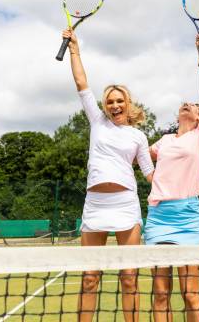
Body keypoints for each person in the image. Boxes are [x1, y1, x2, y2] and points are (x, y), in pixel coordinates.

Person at [62, 29, 154, 322]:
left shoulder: (139, 136)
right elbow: (81, 82)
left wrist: (179, 187)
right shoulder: (97, 121)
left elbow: (150, 174)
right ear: (105, 106)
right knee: (90, 277)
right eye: (110, 101)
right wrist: (75, 48)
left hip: (126, 205)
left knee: (130, 278)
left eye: (120, 101)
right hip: (95, 206)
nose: (115, 105)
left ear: (128, 104)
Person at [144, 33, 199, 322]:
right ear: (178, 116)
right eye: (184, 104)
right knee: (160, 294)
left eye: (193, 105)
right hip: (158, 217)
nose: (189, 104)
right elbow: (139, 155)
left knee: (190, 294)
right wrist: (153, 180)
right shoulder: (163, 141)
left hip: (188, 216)